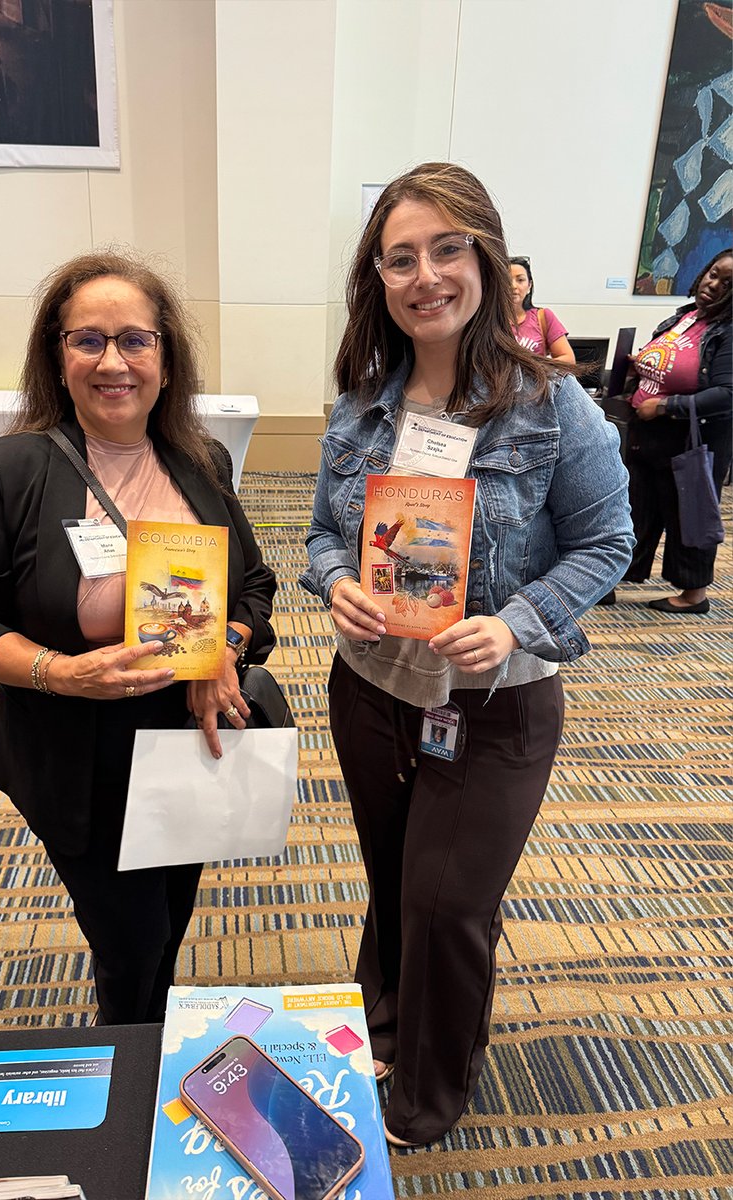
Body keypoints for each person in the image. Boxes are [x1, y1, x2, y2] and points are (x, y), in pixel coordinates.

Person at [301, 163, 633, 1147]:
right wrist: (337, 585)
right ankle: (385, 1021)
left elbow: (607, 544)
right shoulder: (362, 407)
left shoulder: (552, 406)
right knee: (394, 876)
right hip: (371, 689)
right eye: (400, 258)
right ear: (379, 280)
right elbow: (324, 535)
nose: (425, 275)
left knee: (449, 906)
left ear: (486, 257)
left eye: (447, 248)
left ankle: (429, 1091)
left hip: (496, 699)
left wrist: (521, 618)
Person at [0, 250, 277, 1025]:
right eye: (87, 340)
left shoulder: (202, 461)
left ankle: (149, 1055)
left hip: (193, 739)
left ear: (165, 356)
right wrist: (63, 672)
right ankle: (131, 1076)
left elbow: (253, 584)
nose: (113, 362)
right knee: (130, 943)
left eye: (136, 340)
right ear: (58, 358)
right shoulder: (10, 470)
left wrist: (220, 647)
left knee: (168, 928)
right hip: (76, 753)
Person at [619, 248, 732, 614]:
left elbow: (727, 394)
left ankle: (693, 596)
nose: (713, 285)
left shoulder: (728, 331)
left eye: (728, 284)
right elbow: (672, 361)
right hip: (647, 435)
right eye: (714, 274)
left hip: (687, 439)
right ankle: (617, 576)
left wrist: (667, 406)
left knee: (689, 514)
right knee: (637, 508)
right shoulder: (686, 317)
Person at [509, 256, 575, 363]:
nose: (513, 286)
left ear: (529, 285)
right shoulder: (488, 320)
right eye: (506, 280)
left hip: (537, 378)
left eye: (520, 280)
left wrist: (533, 367)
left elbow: (568, 359)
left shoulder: (543, 316)